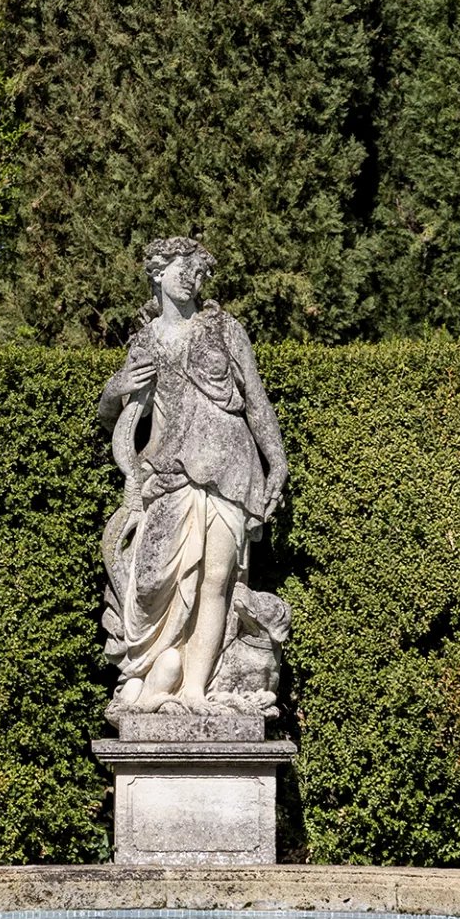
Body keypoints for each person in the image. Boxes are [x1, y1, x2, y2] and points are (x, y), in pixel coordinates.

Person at [98, 237, 287, 713]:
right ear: (157, 273)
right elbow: (116, 419)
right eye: (180, 268)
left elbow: (256, 400)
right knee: (150, 583)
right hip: (168, 472)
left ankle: (196, 689)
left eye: (197, 271)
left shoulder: (224, 328)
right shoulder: (144, 342)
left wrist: (277, 461)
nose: (190, 278)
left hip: (229, 464)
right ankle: (148, 676)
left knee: (216, 579)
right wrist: (115, 388)